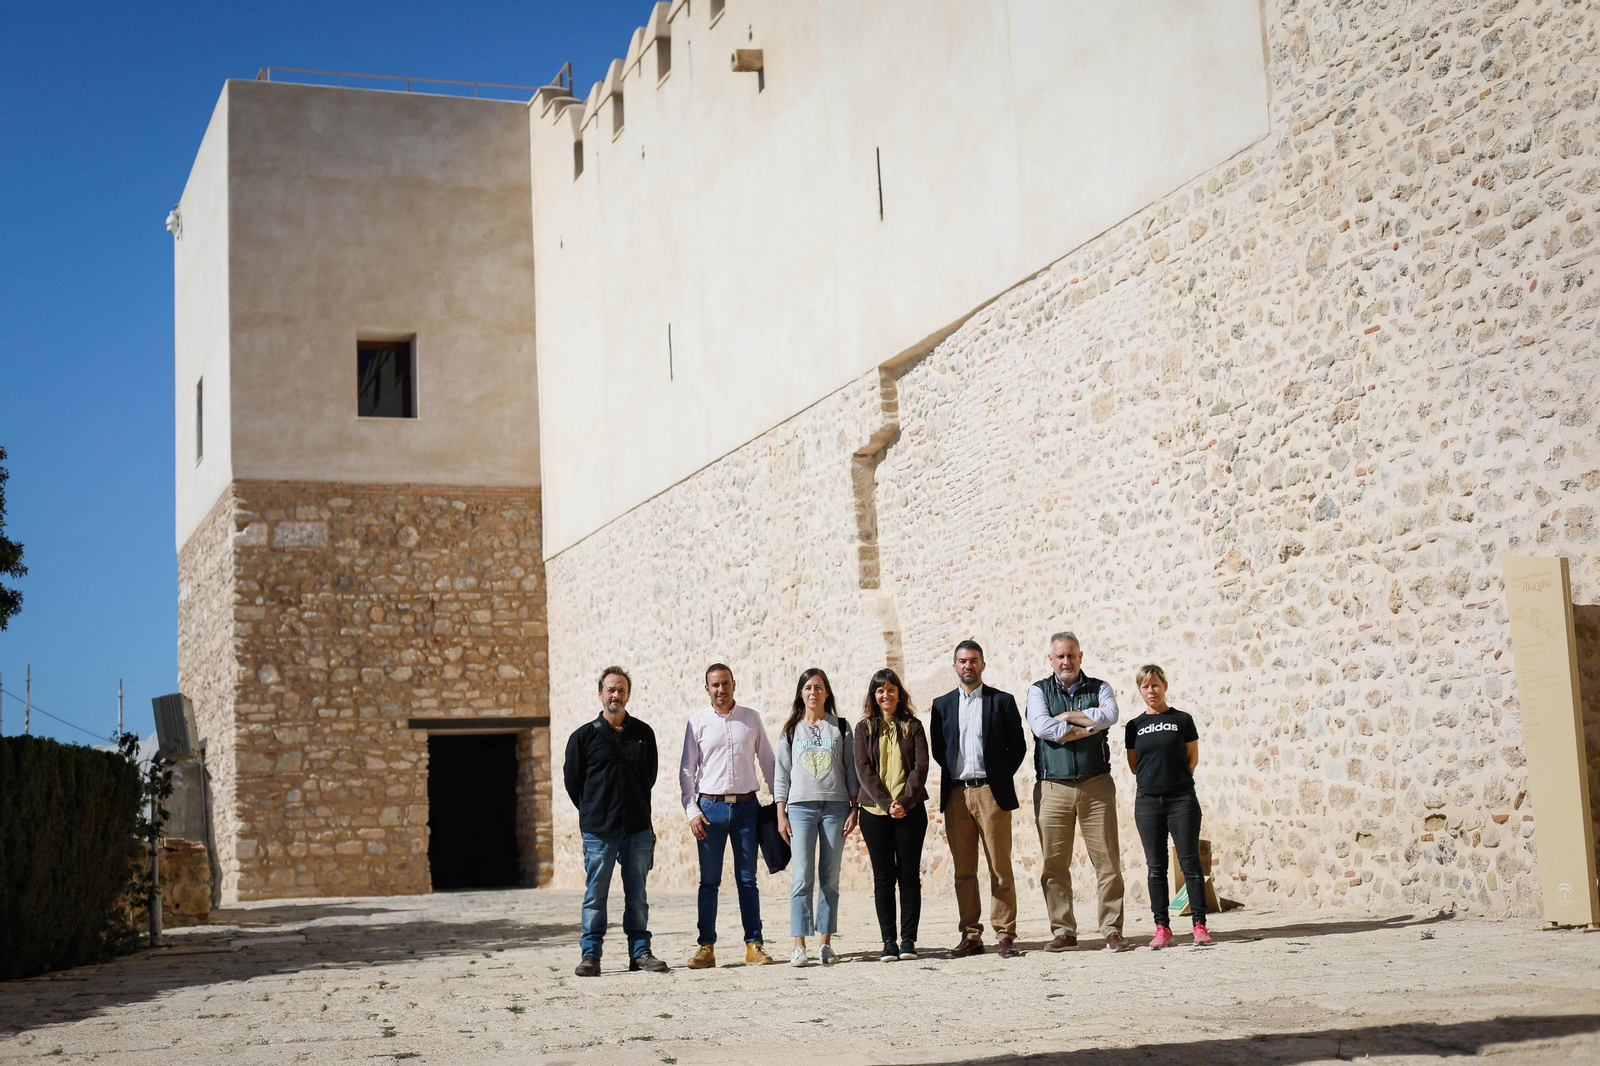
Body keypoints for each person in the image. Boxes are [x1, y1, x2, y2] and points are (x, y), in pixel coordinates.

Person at [1026, 631, 1129, 952]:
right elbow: (1042, 727)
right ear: (1051, 660)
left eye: (1071, 655)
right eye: (1060, 656)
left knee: (1108, 862)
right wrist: (1086, 725)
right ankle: (1064, 931)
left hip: (1096, 784)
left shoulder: (1100, 687)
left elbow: (1110, 715)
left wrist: (1067, 718)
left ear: (1080, 656)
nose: (1066, 661)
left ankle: (1111, 929)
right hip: (1052, 786)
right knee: (1054, 865)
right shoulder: (1038, 691)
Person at [562, 666, 669, 976]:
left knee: (637, 895)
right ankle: (591, 956)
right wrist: (593, 812)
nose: (616, 695)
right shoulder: (583, 737)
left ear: (628, 695)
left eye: (621, 690)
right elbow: (573, 782)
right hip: (600, 830)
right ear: (600, 694)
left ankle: (640, 953)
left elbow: (649, 776)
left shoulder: (643, 734)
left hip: (637, 828)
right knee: (596, 894)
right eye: (610, 689)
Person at [930, 639, 1027, 959]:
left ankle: (1005, 934)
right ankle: (971, 935)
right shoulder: (941, 705)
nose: (968, 666)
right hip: (956, 794)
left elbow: (1019, 747)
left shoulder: (1002, 702)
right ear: (954, 666)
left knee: (1000, 867)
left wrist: (996, 778)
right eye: (962, 661)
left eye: (973, 660)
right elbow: (939, 751)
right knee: (964, 870)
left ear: (983, 665)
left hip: (991, 793)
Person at [680, 662, 778, 967]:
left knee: (748, 880)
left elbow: (768, 761)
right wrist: (692, 810)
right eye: (715, 685)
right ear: (706, 689)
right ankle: (706, 947)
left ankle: (754, 945)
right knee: (709, 881)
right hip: (710, 810)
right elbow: (687, 770)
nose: (720, 690)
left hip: (748, 808)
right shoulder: (697, 723)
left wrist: (780, 803)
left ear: (734, 684)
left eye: (725, 684)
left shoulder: (751, 719)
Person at [774, 668, 859, 966]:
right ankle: (799, 944)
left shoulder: (841, 727)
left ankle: (825, 943)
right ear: (801, 693)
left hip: (835, 808)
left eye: (819, 687)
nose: (813, 692)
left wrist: (854, 808)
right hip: (800, 809)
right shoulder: (789, 731)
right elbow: (781, 776)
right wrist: (780, 814)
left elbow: (851, 770)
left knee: (830, 878)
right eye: (808, 687)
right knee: (801, 877)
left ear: (827, 692)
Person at [1125, 664, 1212, 948]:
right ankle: (1162, 928)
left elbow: (1192, 758)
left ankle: (1199, 925)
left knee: (1190, 863)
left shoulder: (1182, 720)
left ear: (1165, 685)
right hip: (1148, 802)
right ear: (1140, 690)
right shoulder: (1133, 726)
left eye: (1155, 685)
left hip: (1181, 800)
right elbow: (1135, 765)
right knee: (1155, 867)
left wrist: (1175, 782)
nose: (1151, 690)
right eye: (1145, 686)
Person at [852, 667, 930, 963]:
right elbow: (863, 770)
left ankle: (908, 939)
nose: (886, 695)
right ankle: (888, 941)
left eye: (891, 689)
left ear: (899, 693)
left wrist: (904, 802)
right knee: (883, 878)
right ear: (874, 695)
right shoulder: (864, 729)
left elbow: (920, 768)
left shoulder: (914, 726)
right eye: (880, 690)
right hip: (874, 813)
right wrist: (887, 803)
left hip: (910, 812)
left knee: (909, 877)